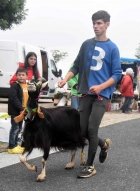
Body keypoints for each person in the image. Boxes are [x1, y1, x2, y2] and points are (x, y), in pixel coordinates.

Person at [58, 10, 122, 178]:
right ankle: (104, 145)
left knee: (92, 129)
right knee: (83, 131)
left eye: (99, 23)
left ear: (107, 24)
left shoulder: (113, 48)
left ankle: (89, 166)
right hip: (85, 93)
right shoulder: (86, 44)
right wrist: (65, 79)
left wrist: (101, 87)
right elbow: (76, 65)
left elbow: (117, 75)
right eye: (94, 23)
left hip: (102, 95)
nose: (95, 26)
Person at [7, 68, 28, 154]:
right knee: (15, 128)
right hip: (16, 111)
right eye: (19, 75)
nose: (21, 77)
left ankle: (15, 144)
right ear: (16, 76)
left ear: (27, 76)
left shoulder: (26, 85)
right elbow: (13, 98)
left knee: (19, 128)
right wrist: (21, 108)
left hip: (22, 111)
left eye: (23, 75)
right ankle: (11, 146)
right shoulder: (15, 85)